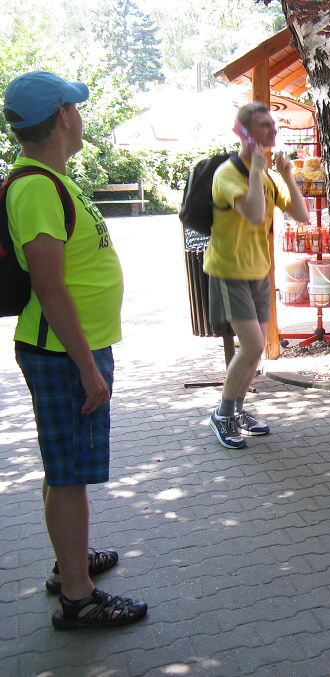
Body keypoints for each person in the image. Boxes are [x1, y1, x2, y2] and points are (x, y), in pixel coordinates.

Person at [4, 71, 147, 628]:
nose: (81, 117)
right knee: (68, 476)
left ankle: (70, 563)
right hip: (64, 353)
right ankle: (78, 597)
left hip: (70, 349)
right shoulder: (39, 187)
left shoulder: (52, 179)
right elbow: (48, 286)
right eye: (77, 108)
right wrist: (88, 369)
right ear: (63, 116)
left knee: (62, 466)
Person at [205, 102, 309, 449]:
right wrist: (255, 172)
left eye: (273, 125)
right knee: (252, 345)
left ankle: (237, 410)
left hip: (259, 271)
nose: (273, 131)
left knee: (255, 350)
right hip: (229, 271)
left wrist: (287, 175)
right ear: (246, 133)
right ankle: (222, 414)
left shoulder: (266, 175)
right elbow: (252, 214)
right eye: (264, 125)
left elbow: (301, 214)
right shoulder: (227, 174)